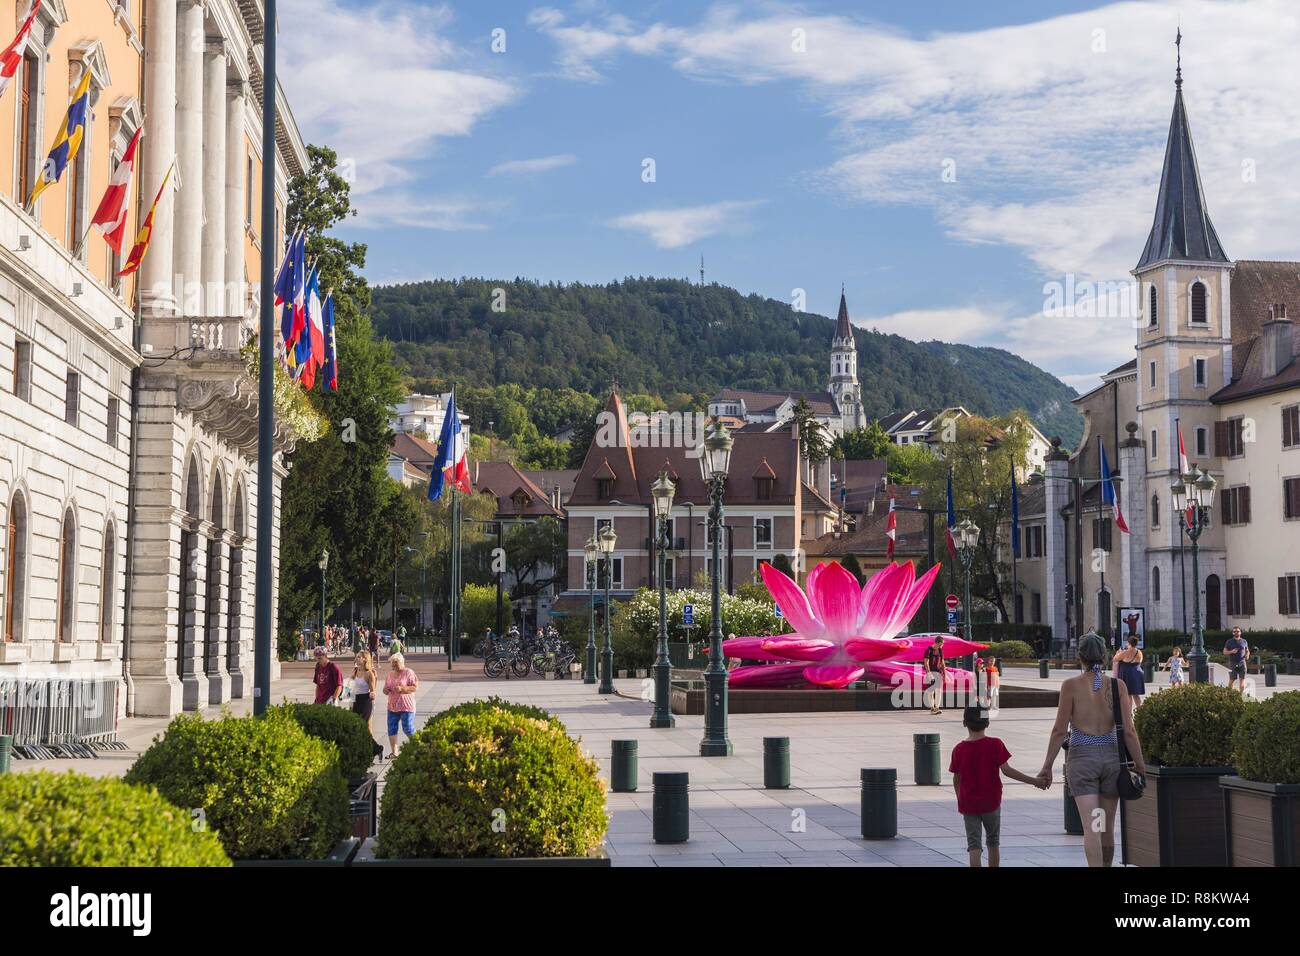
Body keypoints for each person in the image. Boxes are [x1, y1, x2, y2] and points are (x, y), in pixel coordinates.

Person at [1037, 633, 1146, 867]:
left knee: (1092, 827)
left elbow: (1059, 730)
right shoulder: (1117, 685)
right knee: (1106, 827)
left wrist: (1047, 766)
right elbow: (1129, 730)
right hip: (1111, 760)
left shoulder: (1071, 686)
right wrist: (1140, 763)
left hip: (1083, 761)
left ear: (1080, 657)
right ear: (1105, 656)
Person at [950, 706, 1046, 867]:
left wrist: (960, 798)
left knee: (974, 845)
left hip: (969, 804)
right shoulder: (995, 744)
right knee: (993, 841)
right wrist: (1034, 781)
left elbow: (956, 778)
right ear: (987, 723)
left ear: (964, 723)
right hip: (991, 803)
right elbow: (1007, 770)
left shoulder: (959, 750)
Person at [383, 653, 419, 758]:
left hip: (406, 706)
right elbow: (385, 688)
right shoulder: (390, 674)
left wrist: (403, 689)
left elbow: (415, 687)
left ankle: (418, 746)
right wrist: (385, 690)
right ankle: (394, 752)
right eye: (392, 663)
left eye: (396, 663)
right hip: (392, 706)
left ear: (402, 662)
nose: (394, 666)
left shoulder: (409, 672)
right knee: (391, 728)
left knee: (408, 727)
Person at [351, 650, 384, 761]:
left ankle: (373, 749)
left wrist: (372, 694)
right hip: (356, 701)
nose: (357, 658)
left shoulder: (369, 673)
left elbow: (373, 690)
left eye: (359, 657)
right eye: (357, 656)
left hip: (365, 702)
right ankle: (376, 749)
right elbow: (351, 685)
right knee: (356, 727)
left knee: (363, 727)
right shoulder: (355, 671)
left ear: (365, 659)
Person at [1113, 636, 1146, 711]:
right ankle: (1141, 712)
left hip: (1127, 675)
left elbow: (1115, 659)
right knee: (1136, 695)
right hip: (1137, 674)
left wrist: (1118, 653)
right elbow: (1139, 662)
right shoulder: (1139, 652)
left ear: (1129, 643)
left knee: (1128, 694)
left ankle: (1129, 713)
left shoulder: (1125, 652)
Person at [923, 636, 946, 715]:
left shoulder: (940, 650)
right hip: (931, 673)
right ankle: (932, 708)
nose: (942, 645)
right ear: (938, 643)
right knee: (931, 691)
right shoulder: (928, 650)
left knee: (939, 690)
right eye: (942, 643)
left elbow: (942, 663)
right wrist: (929, 673)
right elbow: (926, 663)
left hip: (938, 672)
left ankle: (937, 707)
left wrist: (944, 674)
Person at [1224, 627, 1249, 692]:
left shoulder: (1244, 641)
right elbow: (1224, 652)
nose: (1236, 632)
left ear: (1240, 632)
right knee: (1232, 680)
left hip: (1242, 662)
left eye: (1237, 631)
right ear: (1232, 633)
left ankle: (1240, 696)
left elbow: (1247, 650)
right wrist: (1231, 651)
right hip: (1233, 663)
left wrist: (1247, 655)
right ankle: (1230, 695)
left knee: (1242, 680)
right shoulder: (1229, 641)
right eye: (1234, 631)